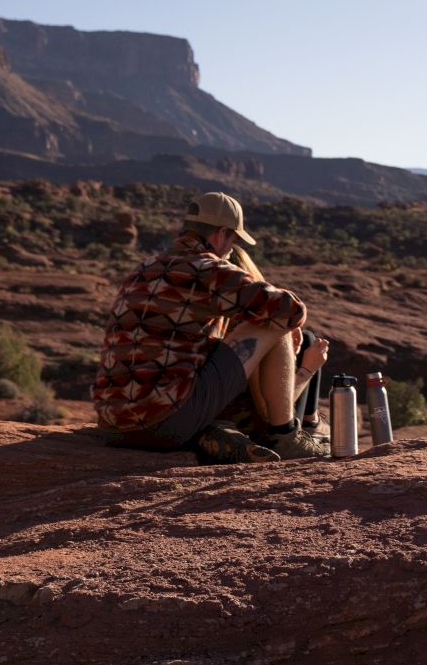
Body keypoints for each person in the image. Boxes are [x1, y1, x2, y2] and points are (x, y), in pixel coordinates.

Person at [93, 191, 329, 462]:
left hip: (112, 427)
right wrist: (289, 333)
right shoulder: (207, 269)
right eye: (233, 241)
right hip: (165, 421)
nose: (230, 250)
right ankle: (285, 436)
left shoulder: (142, 270)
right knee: (273, 323)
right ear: (220, 235)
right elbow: (291, 311)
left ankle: (214, 434)